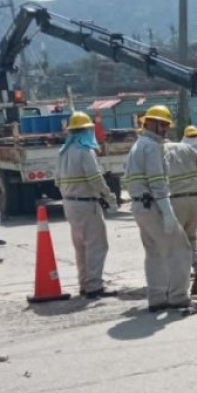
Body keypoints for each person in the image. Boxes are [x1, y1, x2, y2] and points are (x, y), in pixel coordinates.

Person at [124, 105, 197, 314]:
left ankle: (157, 298)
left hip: (140, 206)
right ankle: (179, 297)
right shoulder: (151, 147)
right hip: (153, 205)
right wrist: (167, 213)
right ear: (149, 123)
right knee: (181, 250)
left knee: (155, 253)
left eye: (167, 125)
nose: (165, 129)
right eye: (162, 124)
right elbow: (157, 182)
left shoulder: (138, 145)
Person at [56, 112, 119, 299]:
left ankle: (84, 283)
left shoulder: (63, 151)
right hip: (86, 204)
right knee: (96, 245)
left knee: (80, 246)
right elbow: (95, 179)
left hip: (69, 204)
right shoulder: (85, 151)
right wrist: (108, 196)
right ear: (86, 130)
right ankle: (94, 286)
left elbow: (57, 181)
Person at [164, 140, 197, 294]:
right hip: (194, 198)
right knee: (191, 238)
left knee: (172, 243)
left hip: (174, 201)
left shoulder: (158, 150)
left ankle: (175, 283)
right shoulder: (187, 148)